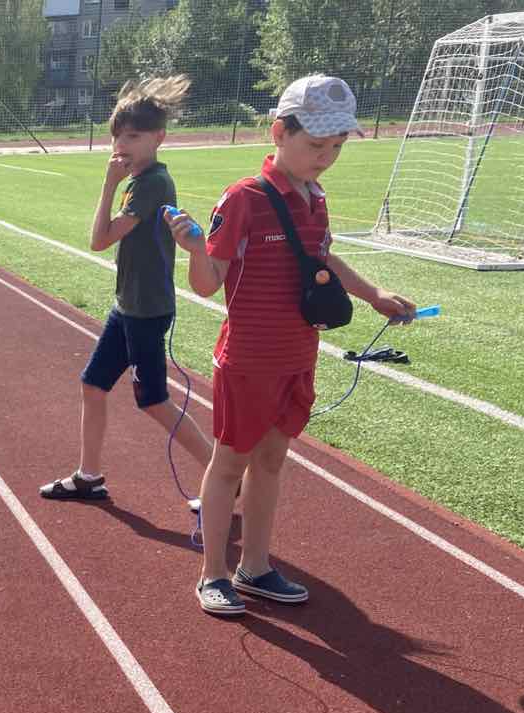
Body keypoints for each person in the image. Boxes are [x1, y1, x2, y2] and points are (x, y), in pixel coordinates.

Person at [168, 75, 415, 616]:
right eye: (316, 145)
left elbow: (320, 258)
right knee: (229, 466)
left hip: (297, 356)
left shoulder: (315, 197)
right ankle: (213, 574)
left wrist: (374, 294)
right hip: (249, 361)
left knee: (271, 462)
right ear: (279, 133)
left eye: (337, 147)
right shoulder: (244, 199)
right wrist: (194, 248)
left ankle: (255, 567)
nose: (326, 158)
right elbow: (208, 284)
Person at [41, 75, 211, 510]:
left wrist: (108, 184)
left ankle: (223, 476)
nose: (121, 144)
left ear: (159, 138)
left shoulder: (151, 183)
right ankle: (88, 477)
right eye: (117, 136)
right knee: (93, 385)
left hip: (146, 311)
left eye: (133, 136)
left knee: (153, 401)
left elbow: (99, 240)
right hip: (128, 306)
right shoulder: (142, 180)